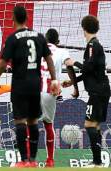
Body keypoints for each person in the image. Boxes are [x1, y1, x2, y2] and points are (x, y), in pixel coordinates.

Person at [0, 6, 59, 168]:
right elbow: (49, 59)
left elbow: (2, 64)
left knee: (20, 121)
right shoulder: (39, 37)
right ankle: (33, 160)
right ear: (26, 18)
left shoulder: (13, 38)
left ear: (13, 19)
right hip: (35, 85)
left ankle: (24, 160)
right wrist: (54, 80)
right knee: (33, 121)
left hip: (19, 85)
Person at [65, 15, 111, 168]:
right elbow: (89, 72)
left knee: (89, 124)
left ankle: (97, 162)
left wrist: (74, 63)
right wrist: (73, 81)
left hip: (97, 92)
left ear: (83, 29)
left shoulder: (92, 45)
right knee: (95, 125)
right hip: (102, 90)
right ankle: (98, 162)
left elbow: (88, 68)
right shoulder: (95, 45)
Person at [40, 28, 78, 167]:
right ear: (58, 42)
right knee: (48, 125)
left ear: (45, 40)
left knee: (28, 124)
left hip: (33, 89)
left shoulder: (38, 49)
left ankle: (27, 160)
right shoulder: (62, 51)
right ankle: (50, 160)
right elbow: (69, 64)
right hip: (51, 91)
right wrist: (74, 84)